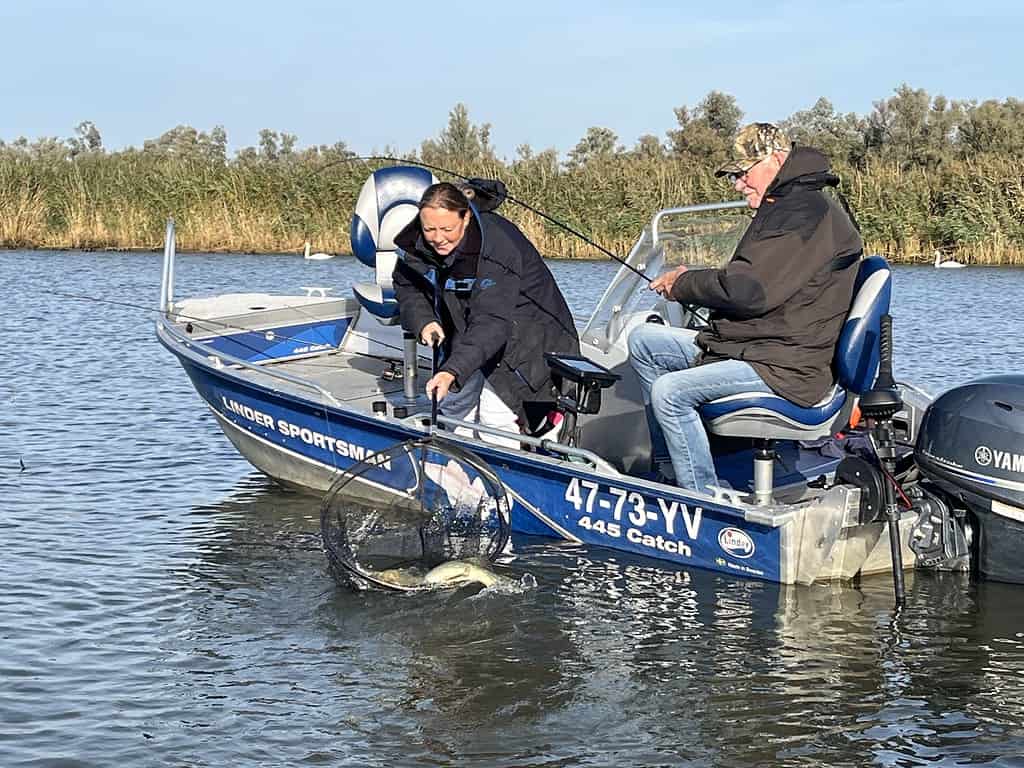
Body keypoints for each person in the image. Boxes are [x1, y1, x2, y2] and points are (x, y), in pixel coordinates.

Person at [628, 122, 863, 493]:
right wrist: (694, 281)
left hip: (786, 367)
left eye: (743, 172)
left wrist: (683, 283)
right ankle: (671, 468)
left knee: (669, 393)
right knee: (643, 341)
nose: (738, 183)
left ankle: (699, 497)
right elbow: (757, 282)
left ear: (777, 160)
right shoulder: (789, 205)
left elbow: (748, 290)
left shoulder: (801, 213)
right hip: (764, 346)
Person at [392, 181, 579, 445]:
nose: (437, 238)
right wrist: (425, 322)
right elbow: (407, 285)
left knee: (495, 418)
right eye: (429, 228)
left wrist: (452, 372)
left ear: (465, 217)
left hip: (525, 338)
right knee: (453, 406)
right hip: (467, 333)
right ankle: (458, 474)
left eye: (447, 229)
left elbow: (492, 321)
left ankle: (511, 468)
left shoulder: (498, 247)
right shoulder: (420, 243)